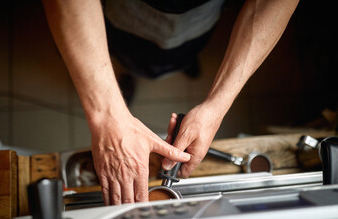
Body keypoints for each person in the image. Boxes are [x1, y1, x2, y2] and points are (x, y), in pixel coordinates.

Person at [42, 0, 300, 205]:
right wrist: (107, 114)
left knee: (183, 54)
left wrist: (217, 104)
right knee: (132, 58)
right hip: (127, 17)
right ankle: (129, 75)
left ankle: (180, 62)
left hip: (198, 20)